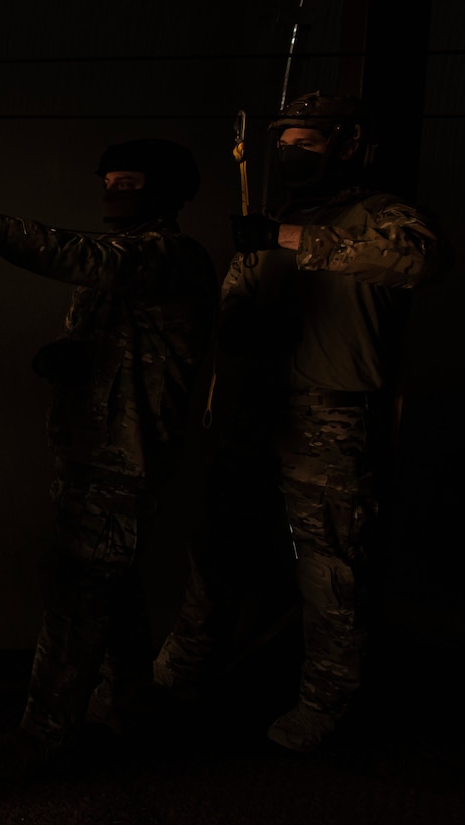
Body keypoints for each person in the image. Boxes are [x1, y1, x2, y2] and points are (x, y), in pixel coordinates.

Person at [154, 93, 446, 751]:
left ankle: (328, 702)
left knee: (331, 567)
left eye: (306, 144)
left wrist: (292, 241)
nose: (289, 155)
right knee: (218, 546)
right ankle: (182, 674)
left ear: (347, 146)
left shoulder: (378, 216)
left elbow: (420, 258)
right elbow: (232, 305)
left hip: (332, 417)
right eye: (283, 143)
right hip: (257, 407)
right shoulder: (273, 223)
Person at [0, 139, 216, 775]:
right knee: (108, 592)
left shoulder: (168, 256)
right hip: (93, 458)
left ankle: (45, 734)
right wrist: (67, 357)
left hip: (126, 462)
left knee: (78, 593)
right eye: (110, 181)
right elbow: (116, 342)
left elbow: (87, 258)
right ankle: (130, 707)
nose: (117, 192)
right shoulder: (123, 268)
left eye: (131, 182)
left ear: (166, 190)